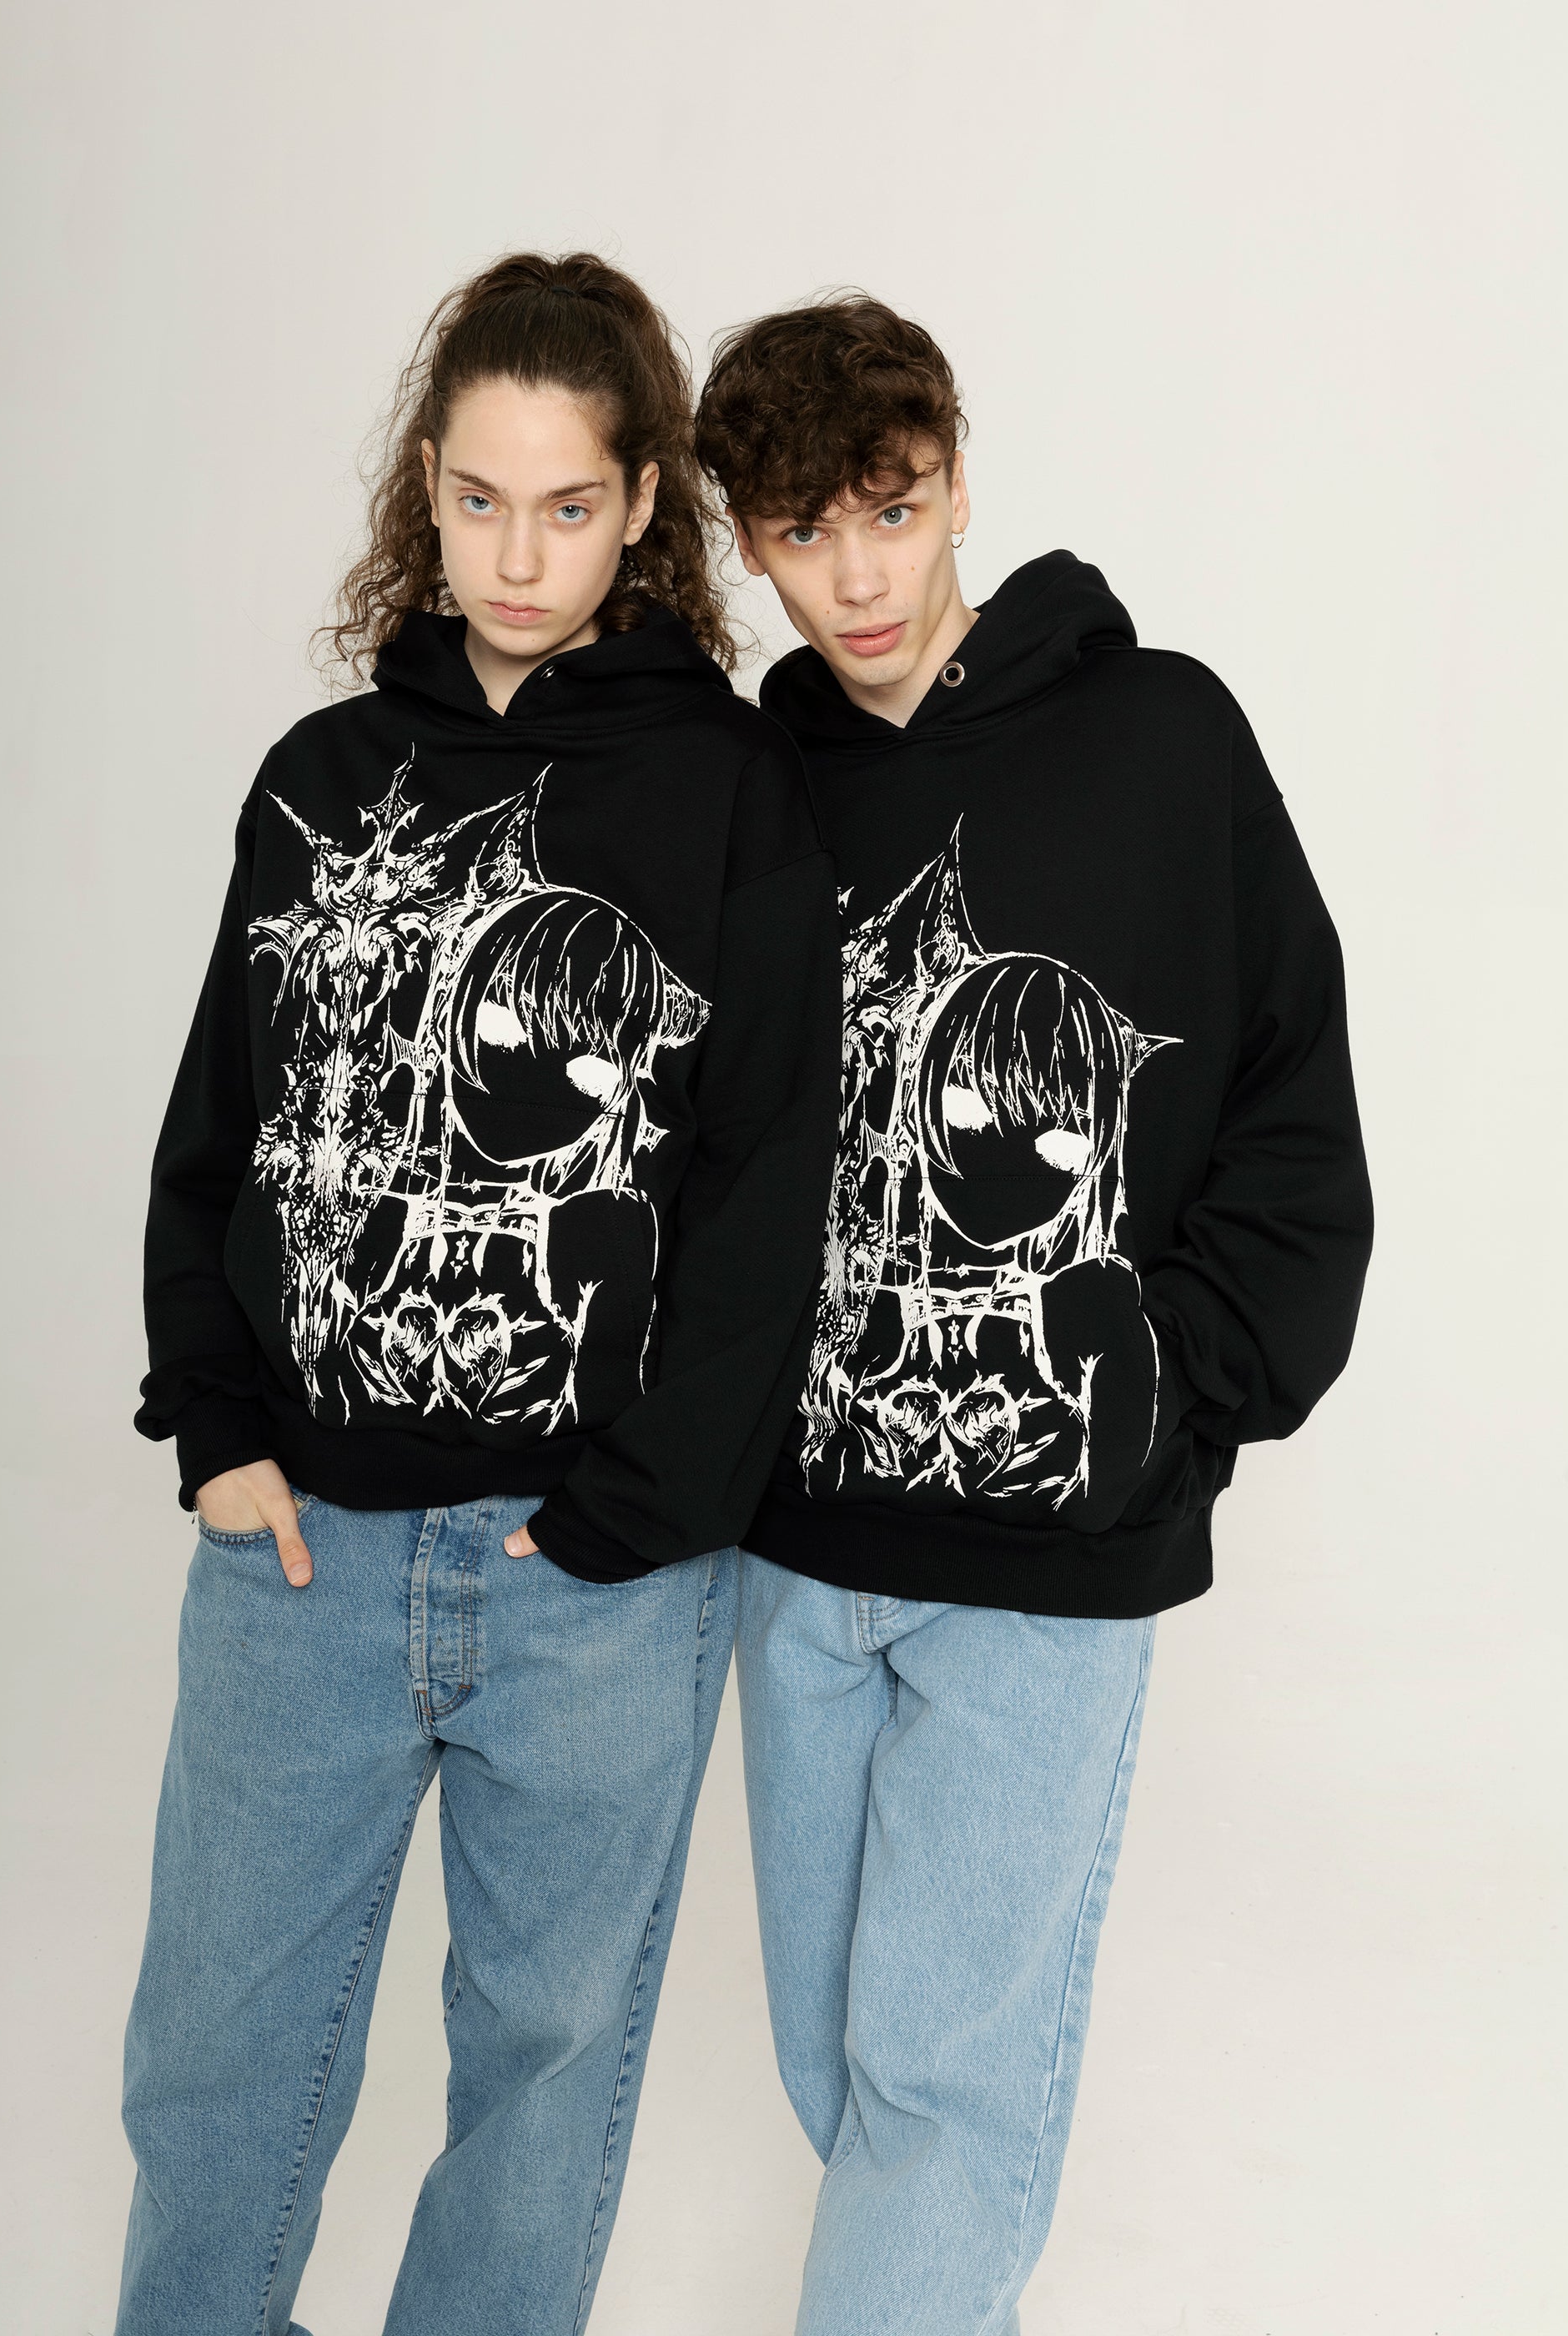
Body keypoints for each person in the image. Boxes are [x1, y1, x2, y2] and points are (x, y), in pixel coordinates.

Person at [118, 251, 838, 2336]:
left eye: (568, 505)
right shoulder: (318, 775)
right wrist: (218, 1425)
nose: (516, 557)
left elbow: (765, 1189)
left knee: (541, 2086)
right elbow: (218, 1127)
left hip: (589, 1582)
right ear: (421, 487)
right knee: (216, 2071)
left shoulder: (732, 792)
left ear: (643, 509)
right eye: (476, 499)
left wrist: (635, 1511)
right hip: (300, 1561)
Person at [695, 295, 1372, 2333]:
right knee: (842, 2070)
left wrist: (1159, 1392)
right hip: (794, 1551)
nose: (857, 577)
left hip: (1048, 1564)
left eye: (890, 510)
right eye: (803, 534)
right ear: (749, 543)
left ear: (957, 477)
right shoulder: (753, 789)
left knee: (940, 2090)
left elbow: (1290, 1101)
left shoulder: (1162, 735)